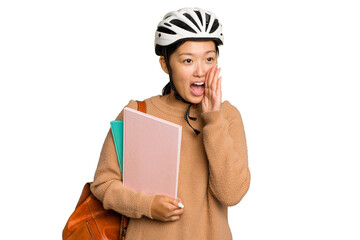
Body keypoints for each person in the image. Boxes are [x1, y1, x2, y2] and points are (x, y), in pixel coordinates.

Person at [90, 7, 250, 240]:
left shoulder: (227, 116)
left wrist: (213, 119)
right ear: (165, 65)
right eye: (187, 60)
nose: (200, 71)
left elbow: (231, 194)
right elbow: (103, 185)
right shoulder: (137, 112)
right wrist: (148, 205)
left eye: (209, 59)